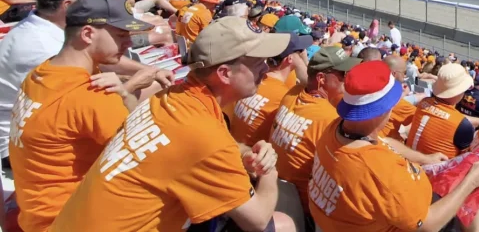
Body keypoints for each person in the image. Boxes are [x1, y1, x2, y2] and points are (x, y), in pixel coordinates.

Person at [51, 18, 296, 232]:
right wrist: (270, 169)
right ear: (224, 73)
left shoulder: (171, 98)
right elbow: (257, 220)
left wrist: (244, 154)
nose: (266, 69)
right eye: (257, 64)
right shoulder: (202, 132)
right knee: (282, 224)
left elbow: (209, 145)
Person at [8, 0, 160, 231]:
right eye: (121, 35)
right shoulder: (93, 97)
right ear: (88, 34)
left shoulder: (42, 72)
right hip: (67, 221)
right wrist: (125, 94)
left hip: (35, 213)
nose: (129, 42)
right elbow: (154, 163)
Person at [309, 60, 479, 232]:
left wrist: (425, 158)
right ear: (382, 110)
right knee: (477, 182)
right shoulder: (379, 173)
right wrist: (471, 181)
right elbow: (427, 225)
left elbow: (384, 142)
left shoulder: (336, 128)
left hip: (348, 217)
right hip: (412, 216)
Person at [0, 0, 108, 164]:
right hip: (18, 148)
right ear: (69, 6)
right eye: (93, 0)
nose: (101, 5)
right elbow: (88, 109)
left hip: (22, 133)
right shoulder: (45, 46)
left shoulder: (39, 27)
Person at [271, 46, 360, 216]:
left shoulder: (293, 92)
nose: (348, 79)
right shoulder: (329, 119)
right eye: (343, 75)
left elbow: (307, 82)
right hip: (305, 209)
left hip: (278, 192)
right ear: (321, 78)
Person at [229, 32, 311, 147]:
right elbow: (312, 85)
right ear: (290, 58)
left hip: (235, 145)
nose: (303, 53)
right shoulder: (284, 97)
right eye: (300, 51)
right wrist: (303, 61)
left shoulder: (253, 80)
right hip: (252, 157)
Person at [407, 63, 479, 159]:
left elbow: (443, 115)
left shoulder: (424, 102)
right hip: (431, 171)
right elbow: (462, 160)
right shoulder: (462, 125)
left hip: (409, 160)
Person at [379, 54, 418, 141]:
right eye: (404, 72)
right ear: (394, 74)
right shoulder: (402, 105)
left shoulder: (374, 90)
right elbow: (421, 120)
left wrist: (402, 94)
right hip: (388, 146)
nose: (405, 76)